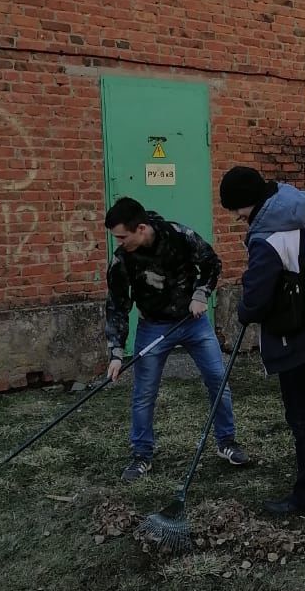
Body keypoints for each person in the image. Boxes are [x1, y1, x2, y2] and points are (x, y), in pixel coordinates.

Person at [219, 166, 305, 516]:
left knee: (302, 413)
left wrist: (245, 312)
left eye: (237, 210)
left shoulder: (267, 237)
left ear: (248, 202)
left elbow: (256, 300)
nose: (237, 217)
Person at [104, 196, 250, 483]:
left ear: (141, 228)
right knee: (144, 394)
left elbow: (210, 262)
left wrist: (200, 295)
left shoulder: (179, 236)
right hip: (153, 328)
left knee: (217, 380)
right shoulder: (122, 260)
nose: (118, 242)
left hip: (193, 324)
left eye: (122, 236)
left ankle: (227, 443)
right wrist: (117, 352)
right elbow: (117, 305)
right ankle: (141, 456)